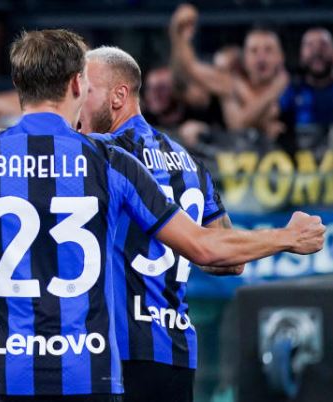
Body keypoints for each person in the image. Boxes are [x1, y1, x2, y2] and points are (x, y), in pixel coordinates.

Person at [0, 29, 326, 402]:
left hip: (9, 377)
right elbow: (208, 248)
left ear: (18, 89)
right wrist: (285, 236)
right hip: (93, 375)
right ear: (75, 86)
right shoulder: (112, 163)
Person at [81, 46, 241, 402]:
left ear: (118, 96)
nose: (76, 101)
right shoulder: (191, 162)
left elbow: (35, 148)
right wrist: (186, 247)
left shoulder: (103, 153)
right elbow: (230, 260)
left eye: (85, 90)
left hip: (116, 353)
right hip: (176, 352)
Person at [170, 3, 288, 141]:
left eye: (268, 50)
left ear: (281, 56)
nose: (261, 58)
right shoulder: (229, 82)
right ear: (245, 58)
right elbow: (189, 68)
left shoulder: (296, 89)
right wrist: (180, 35)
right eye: (254, 51)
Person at [278, 21, 333, 157]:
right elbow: (272, 117)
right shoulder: (291, 92)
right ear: (301, 56)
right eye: (309, 45)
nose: (317, 51)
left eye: (324, 44)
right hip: (302, 162)